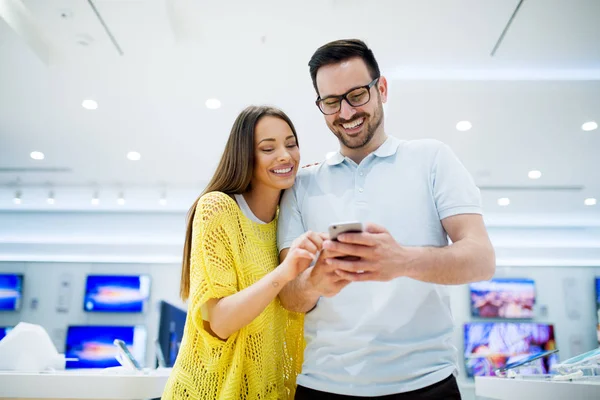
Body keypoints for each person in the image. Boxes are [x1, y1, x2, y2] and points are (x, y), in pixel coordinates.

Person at [277, 39, 496, 399]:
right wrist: (314, 283)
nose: (346, 112)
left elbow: (482, 260)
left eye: (356, 95)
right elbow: (289, 296)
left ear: (381, 89)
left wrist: (403, 260)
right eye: (331, 102)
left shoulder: (432, 159)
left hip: (426, 383)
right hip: (322, 386)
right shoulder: (302, 184)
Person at [162, 105, 325, 400]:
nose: (285, 156)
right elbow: (220, 322)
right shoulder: (218, 208)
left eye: (291, 144)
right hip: (211, 391)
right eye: (268, 148)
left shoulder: (288, 222)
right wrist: (283, 273)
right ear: (245, 155)